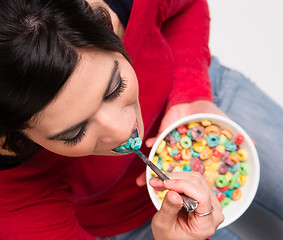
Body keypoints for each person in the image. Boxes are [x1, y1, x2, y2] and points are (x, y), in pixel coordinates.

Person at [0, 0, 282, 240]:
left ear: (106, 28)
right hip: (132, 222)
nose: (125, 132)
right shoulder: (11, 193)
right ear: (14, 138)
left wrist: (192, 89)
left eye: (114, 87)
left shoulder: (124, 5)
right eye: (74, 132)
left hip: (207, 95)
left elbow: (186, 7)